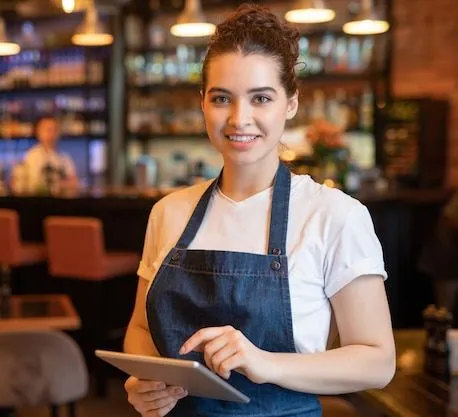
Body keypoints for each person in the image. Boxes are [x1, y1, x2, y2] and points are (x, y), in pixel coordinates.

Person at [123, 4, 395, 417]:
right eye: (221, 98)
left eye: (261, 98)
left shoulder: (336, 215)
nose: (239, 118)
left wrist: (264, 362)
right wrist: (148, 383)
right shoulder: (169, 212)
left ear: (290, 104)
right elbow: (141, 330)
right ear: (202, 103)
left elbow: (378, 361)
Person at [23, 116, 79, 191]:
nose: (51, 134)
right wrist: (62, 184)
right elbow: (35, 184)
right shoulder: (32, 155)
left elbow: (74, 183)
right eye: (47, 130)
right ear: (38, 132)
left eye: (54, 130)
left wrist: (59, 184)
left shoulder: (64, 157)